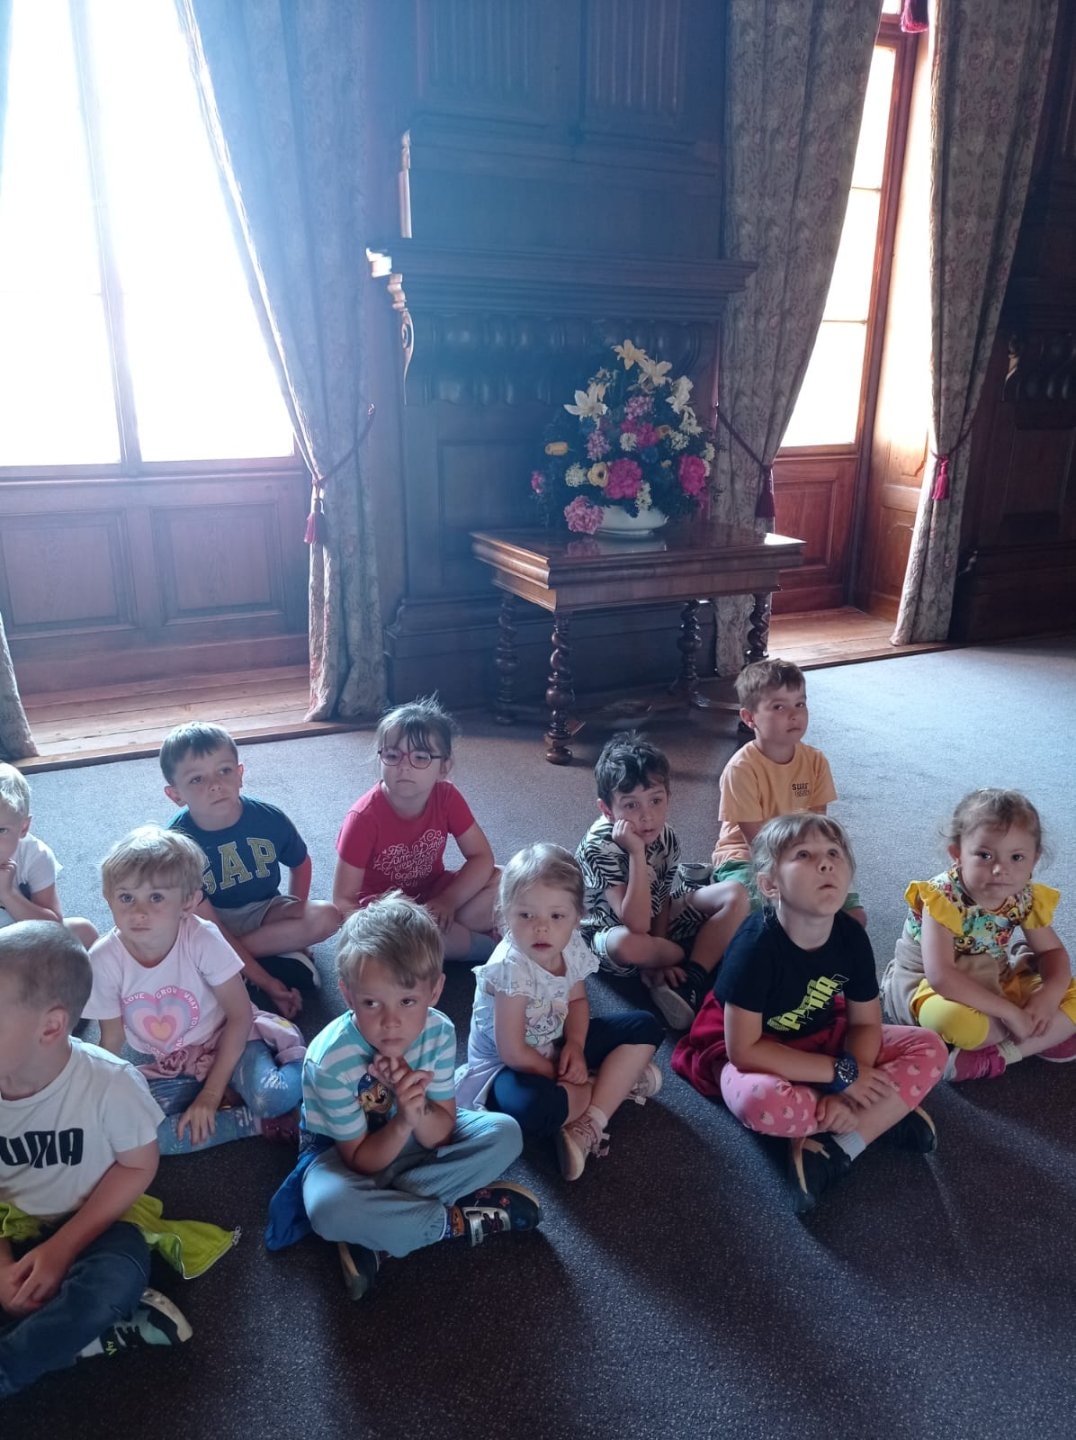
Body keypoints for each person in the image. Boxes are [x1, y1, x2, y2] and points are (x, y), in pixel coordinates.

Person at [673, 813, 947, 1214]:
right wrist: (842, 1078)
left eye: (834, 853)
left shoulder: (851, 936)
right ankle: (882, 1115)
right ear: (770, 884)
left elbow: (865, 1022)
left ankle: (839, 1142)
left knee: (931, 1047)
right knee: (760, 1102)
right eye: (804, 855)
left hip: (823, 1037)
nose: (825, 864)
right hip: (758, 1050)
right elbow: (744, 1051)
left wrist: (849, 1081)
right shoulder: (755, 945)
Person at [299, 892, 541, 1301]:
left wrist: (414, 1108)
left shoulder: (438, 1031)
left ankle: (383, 1229)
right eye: (371, 1003)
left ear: (435, 991)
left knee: (505, 1133)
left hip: (415, 1142)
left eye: (408, 1001)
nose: (391, 1022)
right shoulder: (329, 1061)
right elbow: (359, 1161)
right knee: (327, 1208)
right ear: (348, 995)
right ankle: (452, 1221)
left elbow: (440, 1134)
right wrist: (403, 1120)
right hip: (347, 1155)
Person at [0, 921, 191, 1398]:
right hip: (10, 1224)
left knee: (114, 1278)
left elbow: (137, 1166)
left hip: (96, 1225)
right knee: (65, 1304)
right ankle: (89, 1338)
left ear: (51, 1026)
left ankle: (15, 1364)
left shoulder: (111, 1083)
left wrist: (62, 1248)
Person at [84, 827, 305, 1154]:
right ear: (108, 896)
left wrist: (210, 1095)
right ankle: (256, 1122)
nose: (138, 912)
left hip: (231, 1041)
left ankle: (308, 1065)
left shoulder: (201, 938)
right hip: (176, 1064)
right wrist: (93, 1097)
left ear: (187, 903)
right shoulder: (103, 959)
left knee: (273, 1096)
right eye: (126, 897)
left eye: (156, 897)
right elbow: (111, 1040)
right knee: (134, 1132)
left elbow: (240, 1016)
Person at [456, 844, 663, 1180]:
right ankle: (608, 1085)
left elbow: (577, 1002)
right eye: (526, 916)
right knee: (534, 1111)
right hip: (506, 1068)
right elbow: (513, 1052)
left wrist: (576, 1048)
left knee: (645, 1026)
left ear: (577, 916)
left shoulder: (570, 944)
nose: (542, 928)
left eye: (556, 916)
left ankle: (590, 1118)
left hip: (555, 1042)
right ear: (505, 914)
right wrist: (560, 1072)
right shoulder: (510, 968)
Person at [880, 788, 1076, 1081]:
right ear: (957, 854)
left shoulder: (1025, 896)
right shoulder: (942, 897)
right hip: (930, 985)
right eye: (984, 855)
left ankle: (999, 1056)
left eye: (1017, 857)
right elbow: (941, 977)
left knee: (1064, 995)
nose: (1000, 869)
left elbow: (1052, 953)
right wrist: (1012, 1014)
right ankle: (1039, 1037)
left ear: (1034, 860)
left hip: (995, 977)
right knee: (955, 1022)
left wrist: (1048, 997)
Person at [161, 721, 341, 1018]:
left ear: (240, 774)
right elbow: (208, 920)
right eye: (197, 779)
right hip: (208, 921)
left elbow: (301, 863)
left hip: (263, 910)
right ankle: (270, 959)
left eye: (224, 771)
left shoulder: (268, 818)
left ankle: (224, 967)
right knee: (166, 939)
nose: (215, 785)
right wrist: (269, 983)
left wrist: (295, 909)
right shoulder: (177, 843)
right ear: (175, 794)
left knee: (328, 916)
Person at [575, 732, 750, 1030]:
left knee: (736, 894)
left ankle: (690, 979)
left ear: (668, 796)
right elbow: (636, 924)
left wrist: (662, 951)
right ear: (607, 810)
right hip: (610, 932)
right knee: (629, 945)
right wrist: (636, 853)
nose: (647, 817)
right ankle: (696, 955)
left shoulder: (666, 835)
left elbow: (664, 897)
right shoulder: (598, 846)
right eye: (631, 806)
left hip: (657, 922)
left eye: (656, 801)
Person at [333, 697, 500, 962]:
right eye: (392, 755)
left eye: (420, 757)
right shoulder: (362, 818)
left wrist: (449, 900)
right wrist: (385, 927)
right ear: (380, 759)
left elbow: (481, 857)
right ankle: (490, 949)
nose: (404, 766)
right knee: (401, 938)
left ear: (444, 767)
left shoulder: (447, 797)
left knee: (510, 879)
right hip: (388, 913)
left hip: (436, 897)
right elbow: (343, 901)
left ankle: (443, 942)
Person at [711, 659, 866, 925]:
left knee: (854, 916)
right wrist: (794, 878)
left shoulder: (816, 761)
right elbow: (757, 842)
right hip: (746, 856)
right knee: (762, 915)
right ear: (749, 718)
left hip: (802, 852)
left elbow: (817, 827)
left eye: (800, 704)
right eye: (779, 707)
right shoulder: (741, 769)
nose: (794, 715)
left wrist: (811, 865)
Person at [0, 762, 97, 949]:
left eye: (1, 830)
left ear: (23, 827)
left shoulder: (36, 855)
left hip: (27, 938)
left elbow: (52, 927)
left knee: (85, 931)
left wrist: (8, 894)